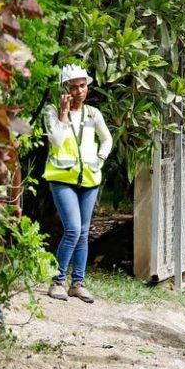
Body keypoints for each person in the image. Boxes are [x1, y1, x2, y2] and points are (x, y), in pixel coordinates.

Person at [43, 64, 113, 303]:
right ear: (65, 89)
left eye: (83, 86)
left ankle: (78, 283)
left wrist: (100, 159)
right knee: (72, 229)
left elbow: (107, 139)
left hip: (89, 179)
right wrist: (63, 114)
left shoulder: (93, 114)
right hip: (62, 178)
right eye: (74, 87)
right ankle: (58, 281)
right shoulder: (51, 111)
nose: (80, 91)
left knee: (83, 233)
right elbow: (56, 141)